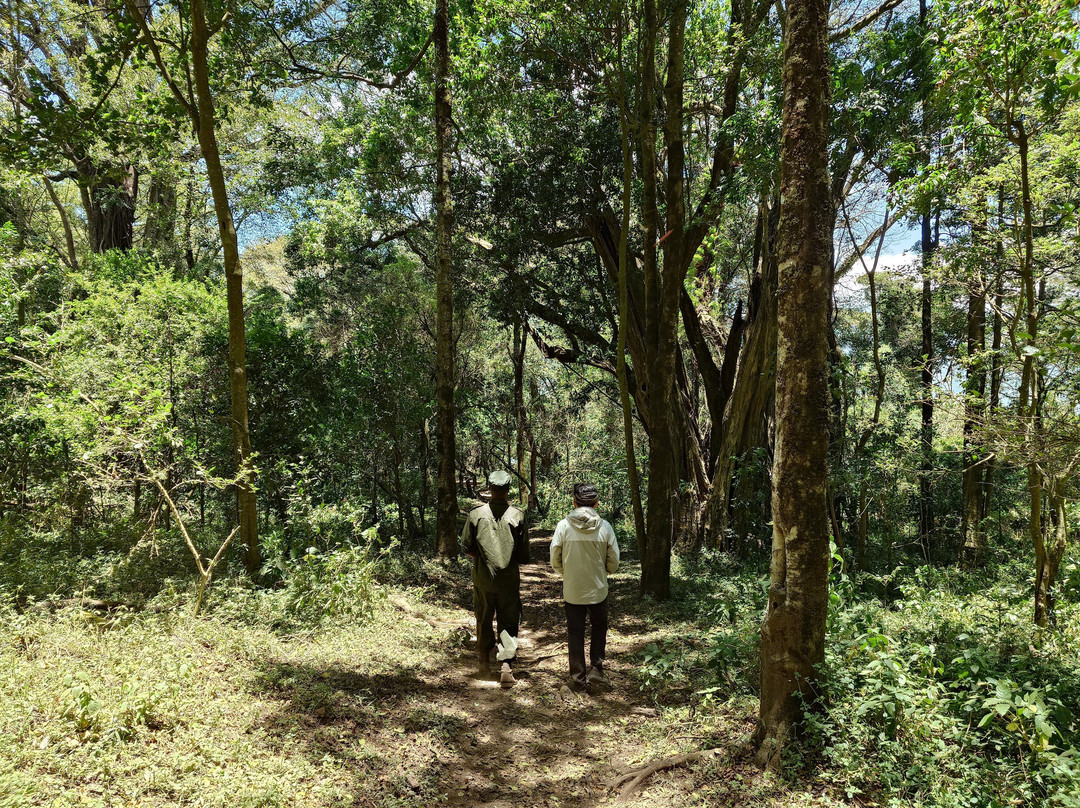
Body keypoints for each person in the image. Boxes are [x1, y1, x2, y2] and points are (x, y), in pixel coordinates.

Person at [461, 469, 529, 688]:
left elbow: (467, 547)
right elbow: (523, 555)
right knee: (508, 619)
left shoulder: (475, 514)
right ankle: (506, 666)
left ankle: (483, 663)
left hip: (483, 578)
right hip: (508, 580)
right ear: (508, 490)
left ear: (489, 489)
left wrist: (485, 555)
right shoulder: (517, 516)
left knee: (483, 615)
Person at [550, 482, 619, 693]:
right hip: (598, 589)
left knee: (575, 632)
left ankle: (577, 678)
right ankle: (597, 670)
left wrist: (566, 573)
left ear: (574, 503)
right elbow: (614, 561)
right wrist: (604, 572)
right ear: (596, 504)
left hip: (573, 590)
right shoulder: (605, 527)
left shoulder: (563, 526)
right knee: (599, 628)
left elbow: (555, 558)